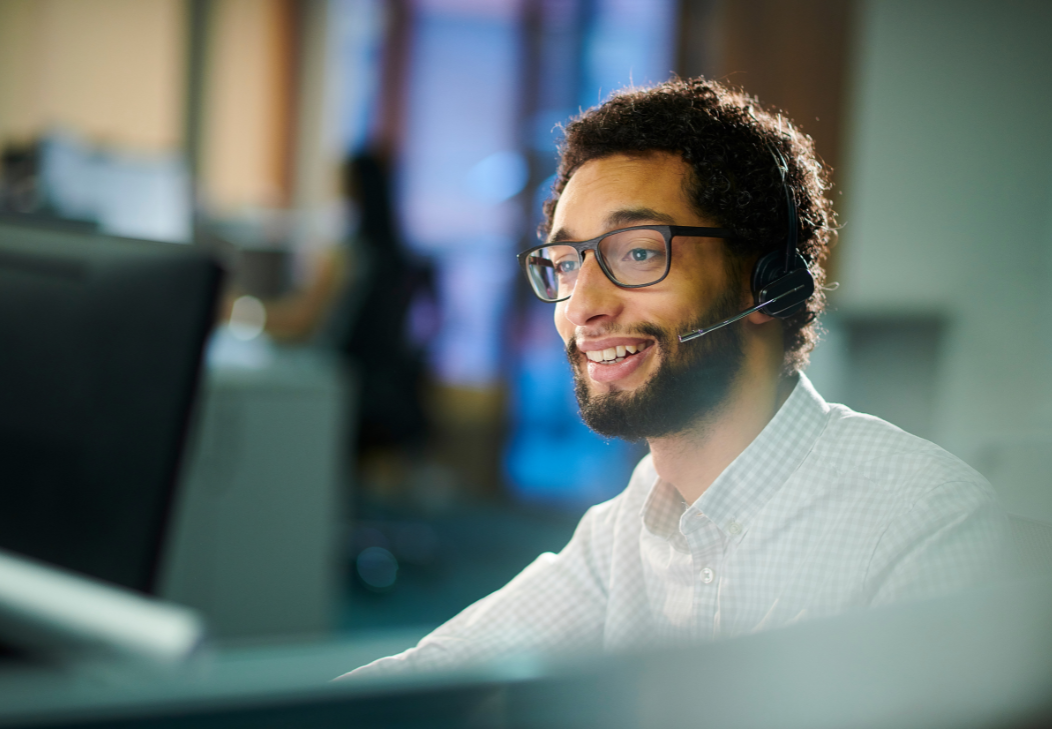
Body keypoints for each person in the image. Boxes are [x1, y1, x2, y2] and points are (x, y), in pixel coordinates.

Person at [340, 77, 1009, 678]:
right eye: (568, 263)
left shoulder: (921, 527)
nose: (583, 307)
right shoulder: (635, 522)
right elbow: (433, 678)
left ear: (767, 284)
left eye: (637, 252)